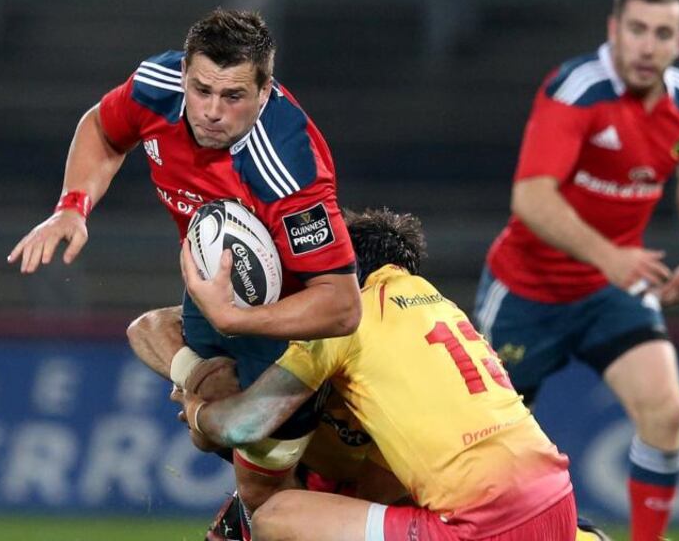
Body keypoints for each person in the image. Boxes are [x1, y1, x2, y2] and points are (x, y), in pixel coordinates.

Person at [6, 8, 362, 513]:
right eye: (202, 90)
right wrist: (73, 206)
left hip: (284, 322)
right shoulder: (156, 86)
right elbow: (103, 129)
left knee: (270, 494)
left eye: (233, 96)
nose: (212, 110)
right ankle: (223, 413)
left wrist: (237, 318)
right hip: (214, 290)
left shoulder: (288, 168)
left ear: (263, 93)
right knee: (185, 384)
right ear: (184, 75)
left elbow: (342, 306)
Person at [474, 0, 679, 541]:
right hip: (527, 292)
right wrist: (609, 255)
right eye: (636, 29)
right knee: (485, 444)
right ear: (613, 30)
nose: (647, 45)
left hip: (611, 291)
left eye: (662, 33)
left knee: (667, 413)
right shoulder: (577, 89)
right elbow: (531, 197)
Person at [178, 209, 578, 541]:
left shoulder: (344, 320)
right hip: (559, 501)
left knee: (275, 516)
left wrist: (197, 408)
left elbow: (244, 425)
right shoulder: (444, 309)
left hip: (482, 525)